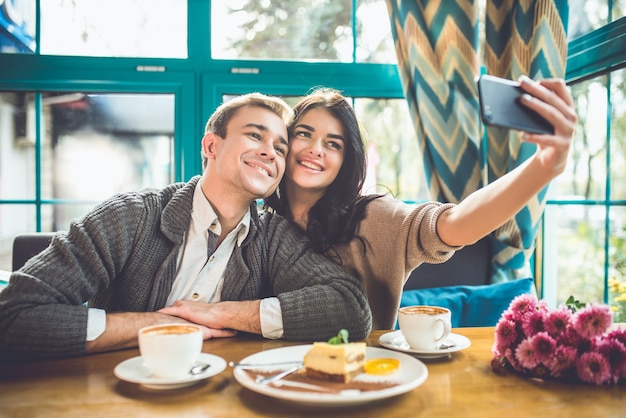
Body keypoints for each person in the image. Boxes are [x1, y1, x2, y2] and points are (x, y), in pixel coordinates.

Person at [0, 93, 372, 362]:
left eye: (279, 147)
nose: (269, 153)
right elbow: (13, 317)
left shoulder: (275, 237)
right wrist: (156, 324)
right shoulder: (129, 217)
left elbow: (352, 309)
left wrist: (223, 313)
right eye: (255, 135)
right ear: (211, 145)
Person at [265, 77, 578, 329]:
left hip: (358, 384)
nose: (316, 149)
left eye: (333, 144)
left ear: (347, 160)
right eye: (304, 134)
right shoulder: (258, 221)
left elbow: (457, 224)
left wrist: (545, 165)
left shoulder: (372, 218)